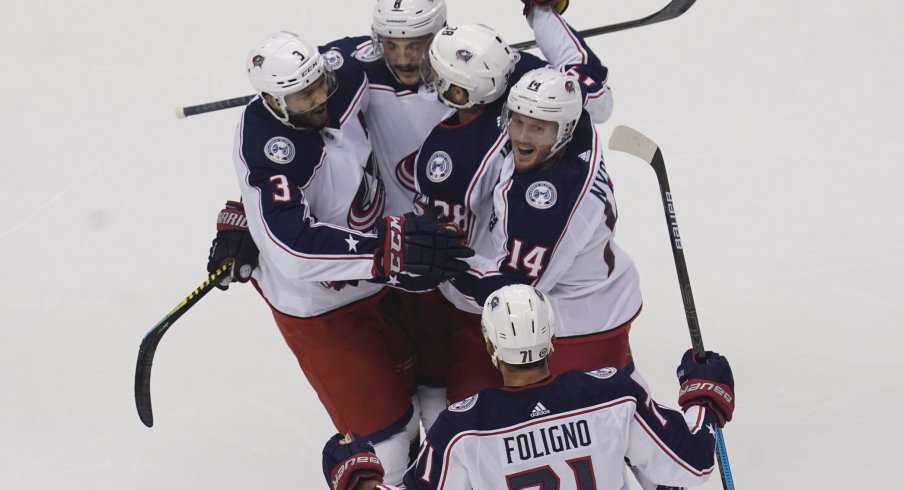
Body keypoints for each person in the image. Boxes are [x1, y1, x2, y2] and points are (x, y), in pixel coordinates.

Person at [212, 30, 473, 484]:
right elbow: (292, 248)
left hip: (382, 275)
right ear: (273, 102)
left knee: (442, 402)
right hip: (323, 307)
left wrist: (475, 54)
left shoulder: (339, 73)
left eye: (318, 85)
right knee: (387, 448)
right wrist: (385, 250)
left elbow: (401, 36)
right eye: (302, 96)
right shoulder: (269, 149)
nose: (319, 99)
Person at [322, 284, 736, 489]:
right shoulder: (614, 395)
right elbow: (695, 463)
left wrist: (357, 475)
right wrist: (704, 398)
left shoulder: (461, 429)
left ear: (489, 346)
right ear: (553, 338)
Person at [408, 7, 614, 408]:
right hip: (596, 284)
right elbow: (592, 85)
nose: (521, 134)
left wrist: (435, 258)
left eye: (535, 127)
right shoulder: (559, 101)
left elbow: (513, 289)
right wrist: (540, 12)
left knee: (483, 421)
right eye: (517, 122)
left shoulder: (543, 197)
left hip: (565, 322)